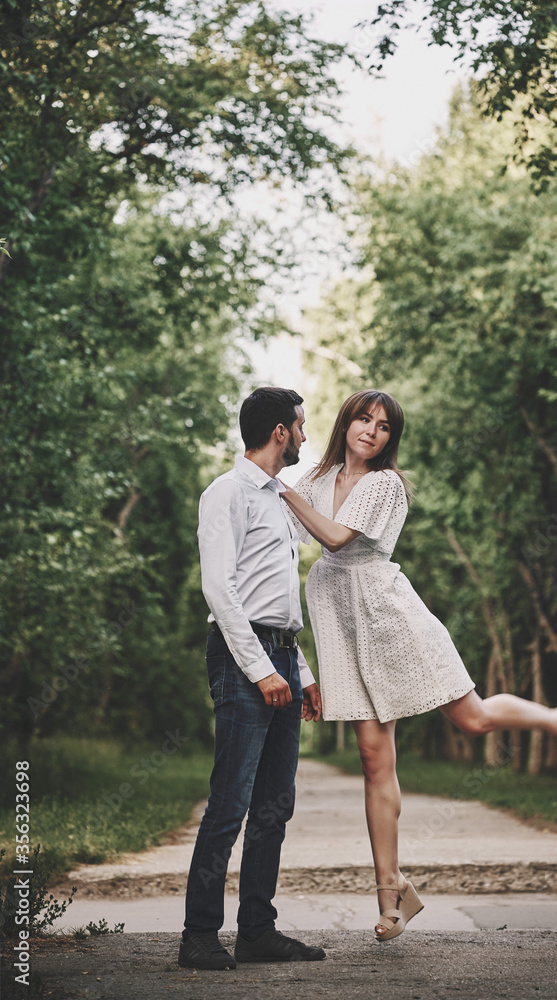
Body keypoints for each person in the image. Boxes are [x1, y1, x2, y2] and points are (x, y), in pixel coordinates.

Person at [279, 388, 557, 942]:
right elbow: (285, 543)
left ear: (390, 439)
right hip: (342, 623)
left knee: (472, 718)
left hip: (391, 615)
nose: (372, 431)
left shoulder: (384, 485)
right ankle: (393, 895)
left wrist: (281, 494)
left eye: (384, 426)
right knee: (372, 756)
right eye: (364, 418)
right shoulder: (312, 479)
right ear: (346, 422)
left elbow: (334, 539)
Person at [179, 387, 325, 970]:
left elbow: (278, 600)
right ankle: (197, 936)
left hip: (282, 656)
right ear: (281, 431)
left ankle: (257, 932)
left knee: (274, 804)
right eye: (302, 426)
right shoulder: (227, 493)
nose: (307, 436)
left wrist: (301, 671)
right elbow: (221, 589)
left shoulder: (281, 503)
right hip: (244, 660)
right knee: (230, 802)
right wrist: (262, 670)